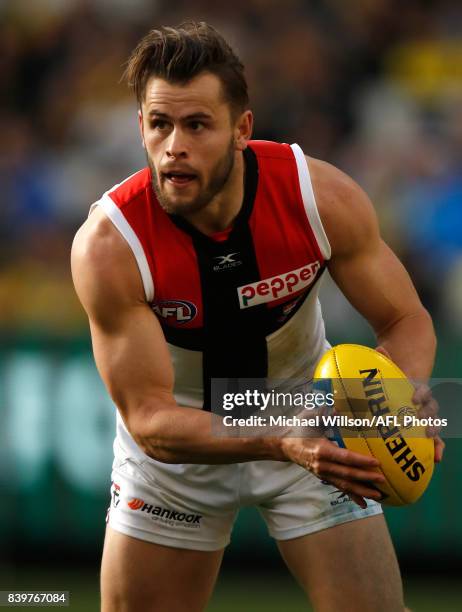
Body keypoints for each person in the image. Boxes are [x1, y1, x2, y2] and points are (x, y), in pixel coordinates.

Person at [71, 21, 444, 612]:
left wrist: (404, 389)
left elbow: (405, 320)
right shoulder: (110, 246)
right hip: (183, 443)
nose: (174, 147)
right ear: (139, 126)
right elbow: (149, 420)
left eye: (197, 125)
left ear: (242, 129)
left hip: (311, 413)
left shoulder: (320, 199)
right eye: (159, 124)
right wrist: (280, 437)